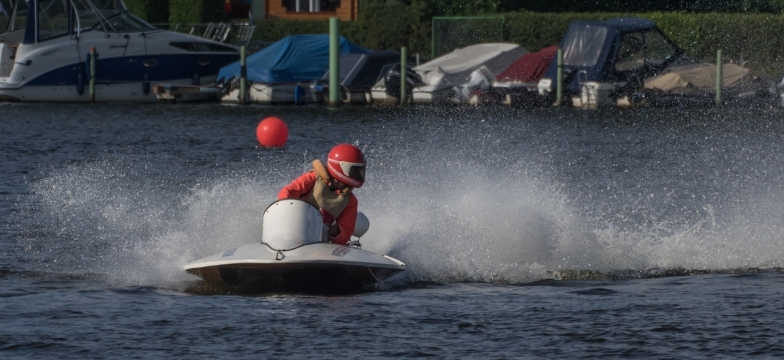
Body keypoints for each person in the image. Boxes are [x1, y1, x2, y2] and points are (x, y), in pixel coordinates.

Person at [277, 144, 366, 245]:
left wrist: (332, 223)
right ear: (341, 167)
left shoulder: (350, 201)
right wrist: (296, 214)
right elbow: (286, 192)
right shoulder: (313, 178)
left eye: (360, 170)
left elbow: (344, 237)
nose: (358, 174)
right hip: (293, 234)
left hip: (321, 243)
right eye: (355, 170)